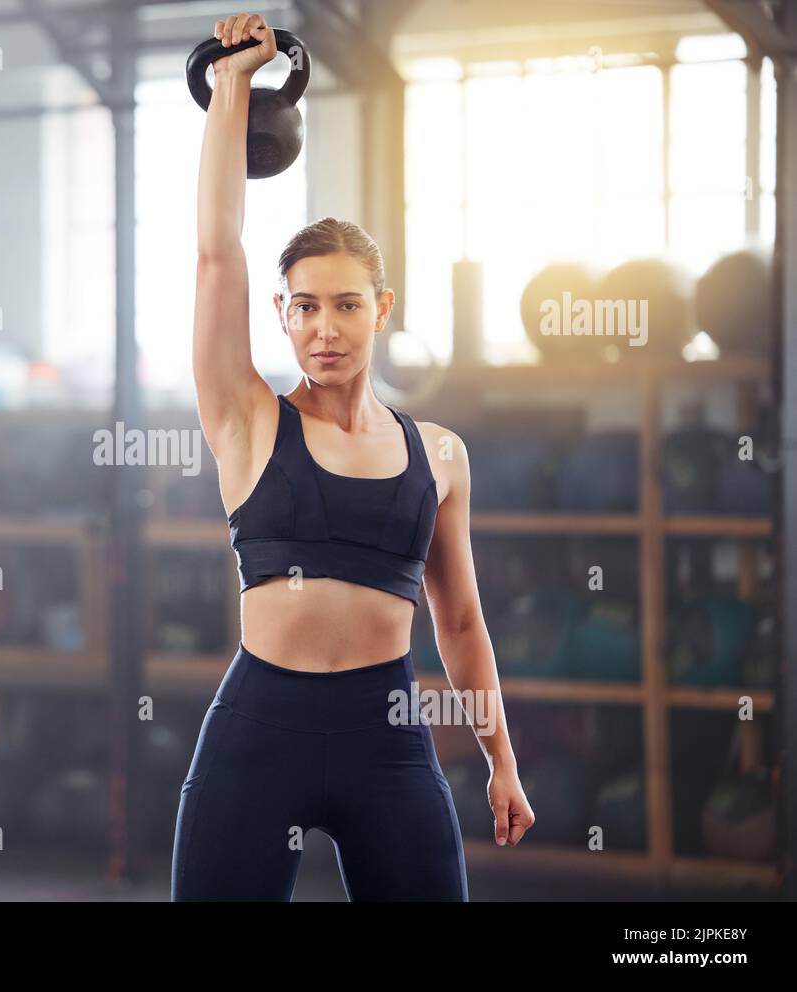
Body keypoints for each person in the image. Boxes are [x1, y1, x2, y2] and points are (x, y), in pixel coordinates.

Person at [172, 11, 535, 901]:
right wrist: (232, 87)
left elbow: (459, 625)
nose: (323, 328)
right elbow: (218, 253)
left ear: (381, 308)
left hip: (386, 735)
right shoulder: (248, 422)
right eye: (303, 307)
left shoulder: (439, 456)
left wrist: (501, 760)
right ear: (283, 316)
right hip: (260, 728)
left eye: (344, 305)